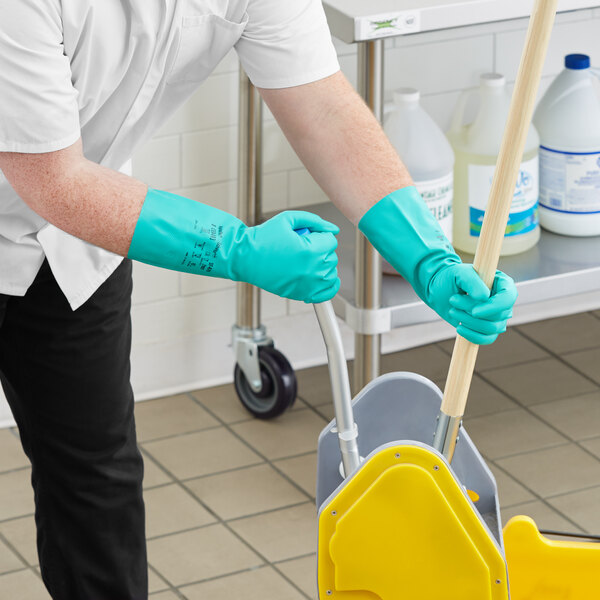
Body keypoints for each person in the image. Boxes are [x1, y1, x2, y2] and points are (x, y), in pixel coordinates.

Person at [0, 1, 517, 598]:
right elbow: (54, 180)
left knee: (95, 476)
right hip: (65, 196)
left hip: (75, 244)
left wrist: (426, 257)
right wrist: (237, 248)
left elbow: (322, 108)